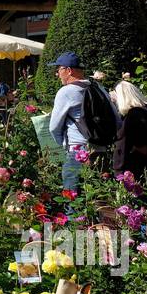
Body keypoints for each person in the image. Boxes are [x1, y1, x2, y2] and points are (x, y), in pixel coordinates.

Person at [48, 52, 120, 192]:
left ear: (68, 70)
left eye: (58, 69)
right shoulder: (98, 88)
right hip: (101, 151)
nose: (57, 74)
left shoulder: (65, 92)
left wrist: (63, 144)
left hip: (77, 152)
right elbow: (116, 119)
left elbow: (53, 127)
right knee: (100, 201)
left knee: (73, 202)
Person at [113, 80, 147, 175]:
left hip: (137, 166)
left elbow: (138, 143)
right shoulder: (145, 111)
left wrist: (120, 170)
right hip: (146, 164)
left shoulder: (134, 115)